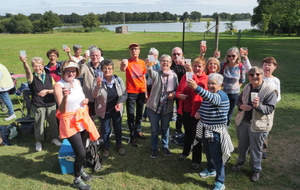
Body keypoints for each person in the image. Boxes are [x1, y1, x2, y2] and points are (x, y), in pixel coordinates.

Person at [54, 60, 100, 190]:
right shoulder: (59, 85)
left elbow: (81, 98)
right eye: (68, 70)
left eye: (73, 71)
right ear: (63, 71)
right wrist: (64, 98)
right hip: (69, 122)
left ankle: (80, 171)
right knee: (81, 153)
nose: (71, 73)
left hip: (81, 119)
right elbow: (62, 110)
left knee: (84, 149)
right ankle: (76, 179)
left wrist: (85, 100)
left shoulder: (77, 82)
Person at [187, 73, 234, 190]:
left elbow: (212, 99)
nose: (210, 85)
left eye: (213, 83)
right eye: (209, 83)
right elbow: (204, 106)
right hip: (205, 129)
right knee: (208, 154)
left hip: (216, 132)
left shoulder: (221, 96)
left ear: (220, 85)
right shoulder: (209, 95)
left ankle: (220, 182)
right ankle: (211, 170)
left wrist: (196, 88)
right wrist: (199, 114)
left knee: (217, 158)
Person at [232, 66, 277, 182]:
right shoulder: (247, 87)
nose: (254, 77)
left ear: (262, 75)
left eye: (257, 74)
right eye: (251, 75)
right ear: (249, 77)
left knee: (256, 149)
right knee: (242, 145)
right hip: (244, 122)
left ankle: (256, 170)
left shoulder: (270, 90)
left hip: (259, 125)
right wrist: (241, 106)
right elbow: (238, 100)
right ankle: (240, 162)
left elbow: (270, 109)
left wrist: (258, 106)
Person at [241, 56, 281, 159]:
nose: (255, 76)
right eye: (265, 65)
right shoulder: (249, 85)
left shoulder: (274, 82)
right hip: (250, 115)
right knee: (250, 133)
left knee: (262, 133)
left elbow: (276, 97)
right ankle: (248, 152)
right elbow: (251, 69)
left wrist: (271, 101)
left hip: (263, 113)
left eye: (269, 65)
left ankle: (262, 150)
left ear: (274, 67)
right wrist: (245, 59)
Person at [20, 56, 61, 152]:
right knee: (39, 123)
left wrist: (48, 91)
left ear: (43, 66)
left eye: (39, 66)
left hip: (50, 103)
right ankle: (39, 140)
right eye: (34, 66)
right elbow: (28, 72)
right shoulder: (32, 77)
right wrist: (25, 63)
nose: (37, 68)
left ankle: (54, 138)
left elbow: (55, 89)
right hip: (38, 104)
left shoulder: (49, 77)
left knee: (53, 122)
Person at [176, 57, 208, 169]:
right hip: (185, 109)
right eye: (195, 66)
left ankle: (196, 160)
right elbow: (178, 90)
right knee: (187, 133)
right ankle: (185, 151)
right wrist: (179, 95)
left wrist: (191, 73)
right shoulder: (185, 76)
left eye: (199, 66)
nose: (197, 68)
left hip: (197, 112)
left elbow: (200, 87)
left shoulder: (205, 78)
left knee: (197, 136)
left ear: (203, 67)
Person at [92, 59, 127, 158]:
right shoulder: (98, 81)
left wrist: (120, 102)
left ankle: (119, 145)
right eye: (105, 68)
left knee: (118, 128)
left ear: (112, 69)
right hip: (104, 111)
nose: (107, 70)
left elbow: (124, 93)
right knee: (106, 130)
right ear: (101, 70)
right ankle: (106, 147)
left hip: (116, 110)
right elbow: (94, 95)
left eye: (109, 68)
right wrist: (98, 86)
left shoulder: (118, 80)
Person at [146, 54, 178, 158]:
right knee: (154, 129)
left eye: (168, 61)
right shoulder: (156, 73)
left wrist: (174, 94)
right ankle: (154, 148)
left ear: (170, 63)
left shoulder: (174, 75)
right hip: (154, 107)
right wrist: (149, 64)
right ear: (160, 62)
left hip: (167, 107)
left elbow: (177, 89)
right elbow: (150, 71)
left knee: (165, 128)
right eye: (163, 61)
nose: (165, 63)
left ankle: (165, 146)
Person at [120, 43, 147, 147]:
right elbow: (122, 69)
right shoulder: (127, 62)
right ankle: (132, 136)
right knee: (131, 115)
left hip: (141, 92)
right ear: (130, 51)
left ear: (139, 51)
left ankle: (138, 130)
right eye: (132, 49)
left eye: (135, 49)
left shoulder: (142, 63)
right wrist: (123, 65)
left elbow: (144, 77)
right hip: (131, 92)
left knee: (139, 114)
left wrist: (145, 92)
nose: (134, 51)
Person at [221, 47, 246, 127]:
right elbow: (217, 76)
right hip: (223, 93)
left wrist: (236, 87)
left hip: (234, 94)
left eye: (233, 56)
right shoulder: (223, 65)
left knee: (229, 113)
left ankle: (226, 129)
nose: (231, 58)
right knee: (222, 112)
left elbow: (242, 80)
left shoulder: (241, 67)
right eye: (229, 56)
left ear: (238, 56)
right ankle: (220, 127)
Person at [78, 47, 103, 117]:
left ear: (100, 56)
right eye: (92, 55)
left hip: (101, 95)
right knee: (89, 116)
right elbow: (78, 73)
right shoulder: (86, 66)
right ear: (90, 56)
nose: (95, 57)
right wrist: (82, 61)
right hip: (89, 95)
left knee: (102, 116)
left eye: (96, 55)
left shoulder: (104, 66)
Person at [142, 47, 160, 121]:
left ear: (157, 56)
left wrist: (156, 65)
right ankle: (145, 115)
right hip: (148, 84)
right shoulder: (147, 63)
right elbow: (144, 75)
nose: (153, 57)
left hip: (155, 85)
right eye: (151, 55)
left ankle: (146, 116)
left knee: (152, 101)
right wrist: (146, 65)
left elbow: (160, 73)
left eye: (154, 55)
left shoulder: (159, 64)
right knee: (148, 101)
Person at [170, 47, 185, 134]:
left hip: (181, 92)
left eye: (178, 54)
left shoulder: (186, 64)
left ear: (182, 55)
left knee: (180, 111)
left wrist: (184, 66)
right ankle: (164, 127)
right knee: (167, 110)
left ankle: (178, 128)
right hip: (171, 92)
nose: (176, 56)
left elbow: (191, 77)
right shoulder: (169, 64)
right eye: (174, 54)